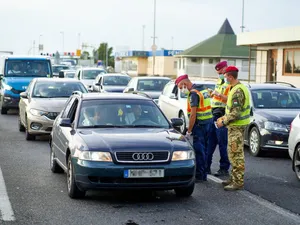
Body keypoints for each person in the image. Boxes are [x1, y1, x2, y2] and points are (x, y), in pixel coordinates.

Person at [216, 66, 250, 191]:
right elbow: (230, 109)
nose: (224, 78)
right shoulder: (234, 88)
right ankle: (234, 178)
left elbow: (236, 113)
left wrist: (223, 121)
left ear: (230, 76)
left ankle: (238, 182)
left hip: (237, 126)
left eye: (225, 76)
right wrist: (223, 118)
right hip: (234, 126)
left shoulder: (237, 91)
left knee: (236, 154)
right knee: (232, 153)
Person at [175, 74, 213, 182]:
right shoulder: (202, 89)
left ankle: (200, 175)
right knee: (205, 150)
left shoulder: (193, 94)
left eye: (180, 87)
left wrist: (189, 130)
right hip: (208, 123)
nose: (182, 90)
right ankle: (204, 173)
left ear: (184, 84)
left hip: (200, 126)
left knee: (199, 151)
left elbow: (193, 115)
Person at [207, 61, 231, 177]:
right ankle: (206, 167)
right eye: (218, 73)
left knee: (222, 143)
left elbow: (229, 100)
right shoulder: (220, 81)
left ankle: (224, 168)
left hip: (222, 115)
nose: (220, 74)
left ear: (225, 69)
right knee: (210, 142)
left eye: (221, 72)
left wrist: (218, 94)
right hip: (214, 114)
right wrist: (213, 94)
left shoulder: (229, 83)